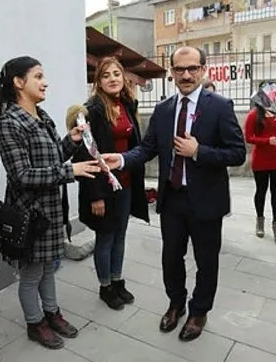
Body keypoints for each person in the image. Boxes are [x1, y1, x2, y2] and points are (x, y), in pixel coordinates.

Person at [103, 46, 247, 342]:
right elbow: (147, 149)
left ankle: (199, 311)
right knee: (171, 258)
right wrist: (122, 160)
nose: (186, 74)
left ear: (203, 70)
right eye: (179, 69)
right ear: (171, 73)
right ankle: (176, 303)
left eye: (192, 68)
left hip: (206, 200)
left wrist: (199, 152)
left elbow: (237, 153)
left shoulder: (220, 106)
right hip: (173, 199)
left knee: (207, 261)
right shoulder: (164, 109)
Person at [0, 56, 100, 350]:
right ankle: (35, 322)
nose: (45, 82)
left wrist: (72, 140)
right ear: (18, 82)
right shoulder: (10, 123)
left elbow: (51, 158)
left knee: (48, 268)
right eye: (38, 76)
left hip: (50, 210)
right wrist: (70, 171)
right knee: (31, 274)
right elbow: (22, 175)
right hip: (31, 215)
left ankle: (52, 313)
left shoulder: (42, 115)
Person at [73, 57, 149, 310]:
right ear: (98, 81)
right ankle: (105, 286)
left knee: (120, 235)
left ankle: (117, 280)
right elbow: (83, 155)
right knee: (105, 237)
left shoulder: (127, 104)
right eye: (106, 75)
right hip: (103, 188)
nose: (113, 78)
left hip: (125, 184)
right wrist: (95, 195)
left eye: (117, 73)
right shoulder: (90, 110)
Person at [244, 103, 276, 245]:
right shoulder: (253, 115)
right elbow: (249, 137)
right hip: (261, 159)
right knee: (261, 191)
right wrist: (266, 140)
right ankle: (260, 221)